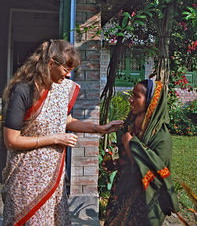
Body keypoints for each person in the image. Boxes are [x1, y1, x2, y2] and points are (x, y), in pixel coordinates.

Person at [1, 39, 123, 226]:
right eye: (66, 69)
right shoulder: (23, 90)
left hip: (52, 178)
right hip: (26, 180)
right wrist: (55, 138)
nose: (68, 75)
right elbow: (11, 140)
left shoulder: (58, 90)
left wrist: (99, 129)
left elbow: (65, 120)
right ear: (51, 63)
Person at [103, 79, 179, 226]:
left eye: (136, 96)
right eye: (132, 95)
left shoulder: (161, 138)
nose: (130, 99)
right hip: (122, 191)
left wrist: (131, 145)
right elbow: (129, 162)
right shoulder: (130, 126)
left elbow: (157, 173)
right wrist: (115, 163)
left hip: (143, 200)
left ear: (150, 102)